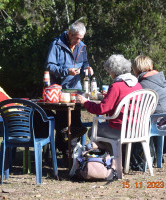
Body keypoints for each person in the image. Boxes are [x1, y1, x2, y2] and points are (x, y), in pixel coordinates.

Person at [45, 21, 94, 158]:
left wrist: (87, 68)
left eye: (81, 38)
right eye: (77, 38)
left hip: (76, 88)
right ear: (69, 33)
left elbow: (84, 63)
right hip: (59, 89)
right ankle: (67, 150)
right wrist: (67, 71)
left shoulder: (82, 46)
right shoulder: (57, 44)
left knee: (75, 116)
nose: (79, 41)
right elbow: (49, 65)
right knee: (63, 118)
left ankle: (71, 149)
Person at [77, 54, 142, 140]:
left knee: (92, 131)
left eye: (109, 71)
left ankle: (109, 152)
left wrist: (85, 102)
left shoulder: (116, 86)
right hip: (138, 130)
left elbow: (101, 109)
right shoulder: (137, 85)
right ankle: (114, 151)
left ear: (113, 71)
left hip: (120, 130)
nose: (109, 74)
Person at [132, 55, 166, 165]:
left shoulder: (141, 85)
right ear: (151, 66)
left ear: (136, 69)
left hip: (155, 121)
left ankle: (138, 158)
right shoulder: (161, 80)